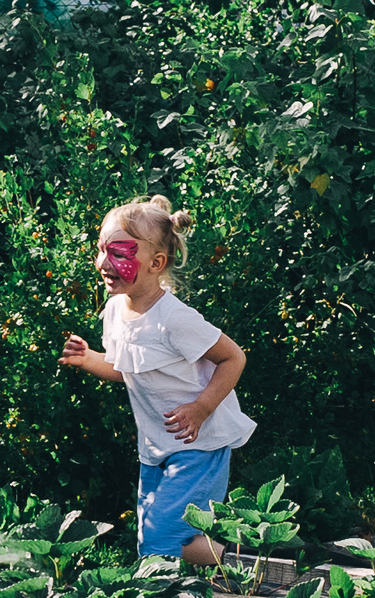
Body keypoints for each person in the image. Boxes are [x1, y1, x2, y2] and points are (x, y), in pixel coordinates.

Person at [59, 195, 254, 566]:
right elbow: (125, 368)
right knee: (156, 534)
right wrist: (88, 359)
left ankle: (169, 591)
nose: (103, 262)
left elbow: (234, 358)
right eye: (101, 249)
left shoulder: (174, 319)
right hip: (156, 445)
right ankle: (253, 562)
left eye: (118, 252)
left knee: (161, 538)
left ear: (156, 263)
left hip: (199, 442)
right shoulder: (115, 311)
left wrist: (201, 408)